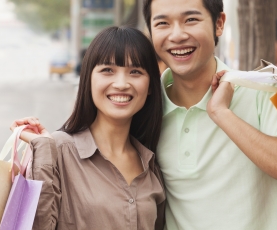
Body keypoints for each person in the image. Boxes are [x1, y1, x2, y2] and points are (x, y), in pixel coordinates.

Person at [142, 0, 277, 230]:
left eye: (191, 19)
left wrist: (222, 114)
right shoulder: (146, 104)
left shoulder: (261, 89)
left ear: (219, 23)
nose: (176, 35)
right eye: (162, 23)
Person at [12, 26, 166, 229]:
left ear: (150, 87)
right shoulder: (59, 151)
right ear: (88, 80)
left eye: (135, 72)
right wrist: (42, 148)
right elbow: (37, 225)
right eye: (107, 70)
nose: (121, 84)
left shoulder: (151, 164)